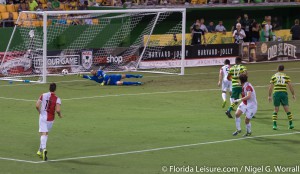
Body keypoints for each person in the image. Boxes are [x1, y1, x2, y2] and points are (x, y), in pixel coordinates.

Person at [36, 83, 62, 161]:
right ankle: (40, 150)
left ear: (49, 88)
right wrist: (60, 115)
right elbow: (57, 110)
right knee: (46, 134)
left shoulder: (43, 95)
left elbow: (37, 105)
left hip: (43, 117)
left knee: (43, 134)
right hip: (50, 119)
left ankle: (43, 149)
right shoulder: (57, 99)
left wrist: (39, 112)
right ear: (55, 89)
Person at [268, 65, 296, 130]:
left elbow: (271, 87)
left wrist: (269, 96)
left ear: (277, 69)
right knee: (287, 109)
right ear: (283, 69)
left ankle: (274, 125)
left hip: (276, 93)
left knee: (276, 109)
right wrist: (293, 94)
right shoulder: (286, 76)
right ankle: (291, 123)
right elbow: (290, 86)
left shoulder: (274, 76)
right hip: (283, 94)